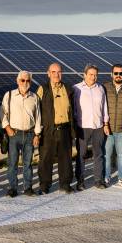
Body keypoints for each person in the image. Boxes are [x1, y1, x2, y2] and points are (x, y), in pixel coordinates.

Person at [1, 71, 41, 197]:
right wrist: (7, 128)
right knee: (12, 163)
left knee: (27, 164)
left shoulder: (34, 97)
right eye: (22, 80)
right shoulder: (9, 95)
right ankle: (12, 188)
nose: (25, 83)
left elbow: (38, 117)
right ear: (17, 81)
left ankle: (28, 187)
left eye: (28, 80)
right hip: (14, 134)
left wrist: (37, 135)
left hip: (29, 134)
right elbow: (3, 113)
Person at [36, 63, 75, 194]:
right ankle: (44, 185)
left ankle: (65, 184)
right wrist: (38, 132)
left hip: (64, 129)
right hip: (48, 130)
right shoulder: (43, 89)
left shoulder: (68, 89)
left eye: (59, 72)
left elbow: (73, 110)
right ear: (48, 73)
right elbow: (37, 111)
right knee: (46, 159)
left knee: (66, 159)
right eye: (53, 72)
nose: (56, 74)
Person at [74, 64, 110, 190]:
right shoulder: (77, 89)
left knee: (98, 154)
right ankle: (80, 181)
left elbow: (104, 107)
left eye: (95, 75)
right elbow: (73, 109)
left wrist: (106, 123)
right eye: (90, 74)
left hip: (98, 127)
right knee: (81, 155)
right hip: (82, 127)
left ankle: (98, 180)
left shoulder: (100, 88)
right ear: (84, 75)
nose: (93, 77)